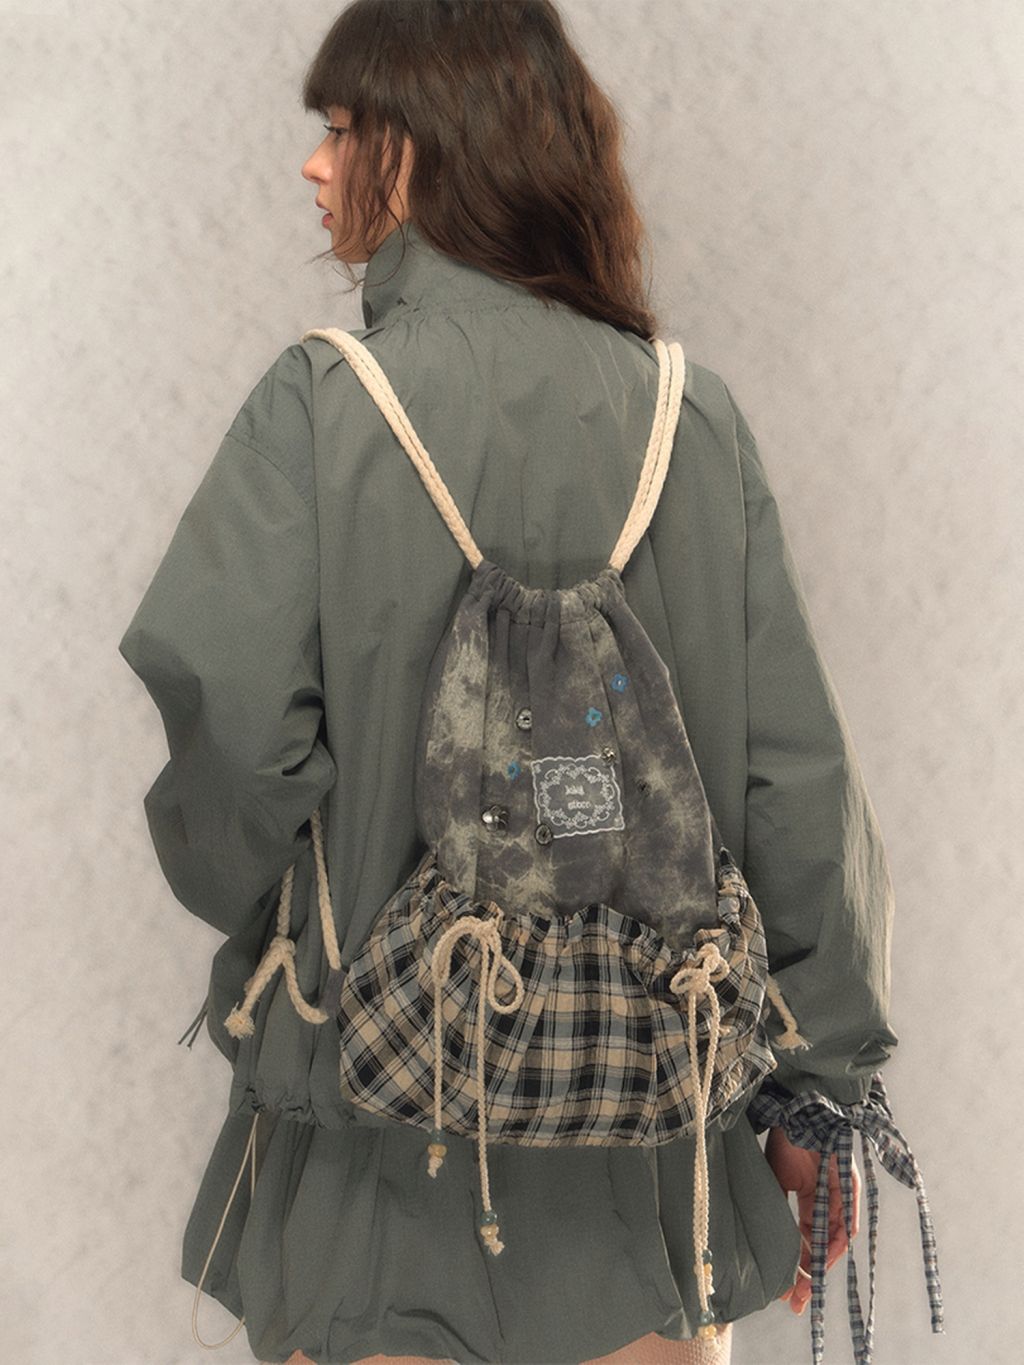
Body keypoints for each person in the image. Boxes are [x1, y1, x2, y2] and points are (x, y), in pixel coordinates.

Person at [118, 3, 917, 1363]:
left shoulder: (323, 406)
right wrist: (815, 1090)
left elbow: (234, 743)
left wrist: (281, 916)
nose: (316, 165)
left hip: (378, 1190)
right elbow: (795, 784)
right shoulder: (691, 420)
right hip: (650, 1205)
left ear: (431, 148)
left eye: (344, 129)